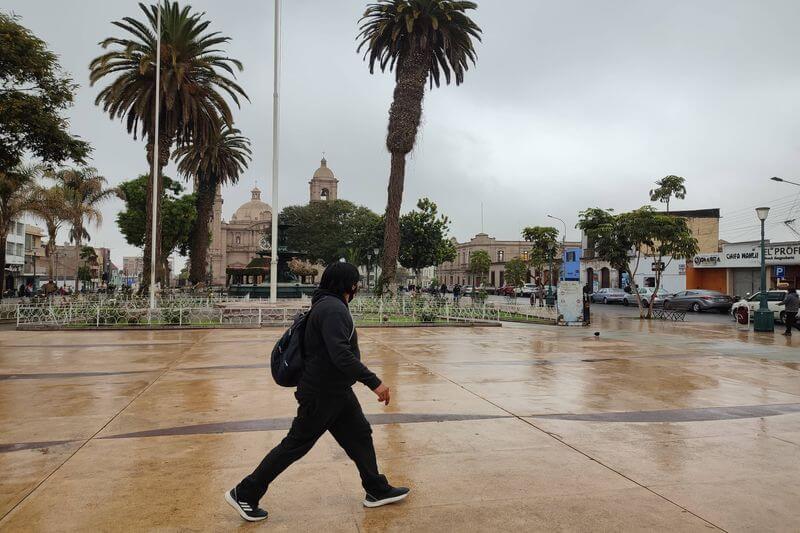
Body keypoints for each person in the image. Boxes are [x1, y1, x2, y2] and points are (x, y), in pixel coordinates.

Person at [225, 262, 409, 522]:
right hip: (322, 392)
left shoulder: (325, 304)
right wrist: (374, 382)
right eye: (356, 282)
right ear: (349, 285)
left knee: (360, 435)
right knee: (295, 445)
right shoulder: (333, 309)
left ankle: (376, 489)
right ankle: (245, 492)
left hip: (336, 390)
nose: (357, 287)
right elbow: (341, 355)